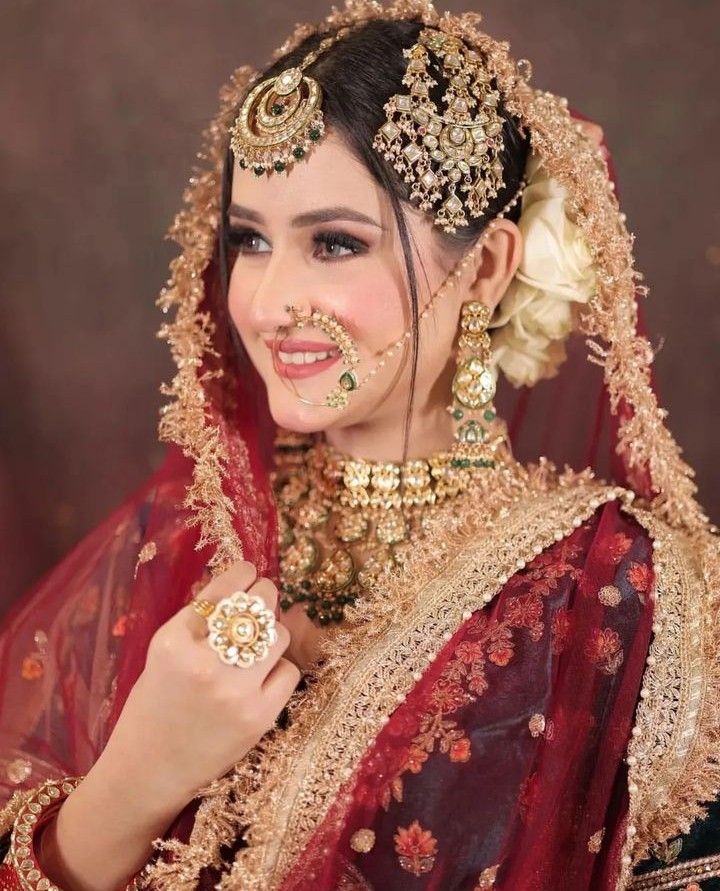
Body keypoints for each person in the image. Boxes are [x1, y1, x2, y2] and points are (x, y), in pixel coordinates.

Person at [0, 2, 718, 889]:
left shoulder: (618, 589)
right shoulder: (185, 536)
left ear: (486, 269)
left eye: (335, 243)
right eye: (249, 241)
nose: (264, 302)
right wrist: (140, 775)